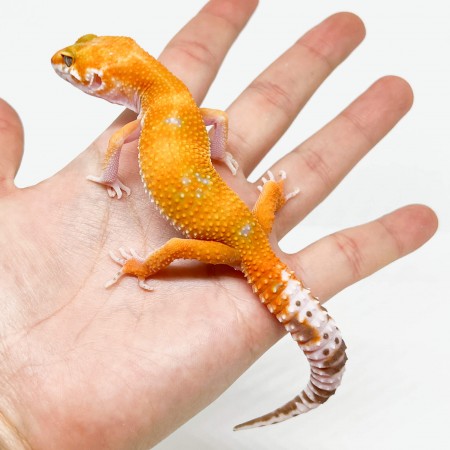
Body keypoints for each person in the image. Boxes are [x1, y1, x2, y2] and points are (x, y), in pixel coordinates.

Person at [0, 0, 437, 448]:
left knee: (171, 250)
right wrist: (232, 163)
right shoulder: (179, 98)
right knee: (246, 224)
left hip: (234, 248)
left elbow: (118, 150)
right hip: (250, 225)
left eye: (73, 63)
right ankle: (273, 197)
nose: (65, 63)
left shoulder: (136, 124)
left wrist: (139, 258)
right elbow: (220, 120)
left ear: (98, 81)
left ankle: (140, 269)